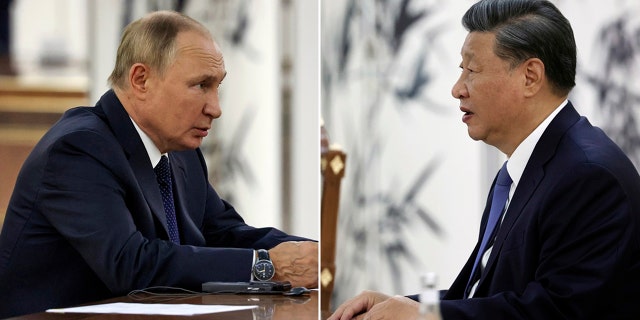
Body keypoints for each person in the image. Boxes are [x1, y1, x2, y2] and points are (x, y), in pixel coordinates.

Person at [329, 0, 640, 319]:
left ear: (530, 76)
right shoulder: (521, 170)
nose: (457, 89)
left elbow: (557, 311)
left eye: (472, 70)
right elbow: (484, 293)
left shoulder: (589, 176)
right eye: (460, 70)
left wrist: (426, 317)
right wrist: (400, 306)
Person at [0, 10, 317, 318]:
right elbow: (130, 264)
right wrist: (265, 266)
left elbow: (224, 232)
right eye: (200, 85)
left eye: (217, 86)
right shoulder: (79, 148)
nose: (216, 108)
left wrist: (324, 257)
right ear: (141, 79)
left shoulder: (180, 151)